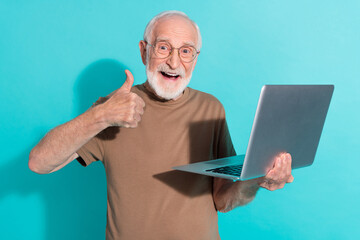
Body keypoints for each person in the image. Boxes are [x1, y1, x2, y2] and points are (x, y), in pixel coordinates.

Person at [29, 10, 294, 240]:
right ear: (144, 51)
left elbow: (222, 199)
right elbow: (39, 162)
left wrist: (258, 179)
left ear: (196, 59)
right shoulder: (114, 108)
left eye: (186, 51)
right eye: (164, 47)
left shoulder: (211, 109)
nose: (174, 62)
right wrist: (100, 116)